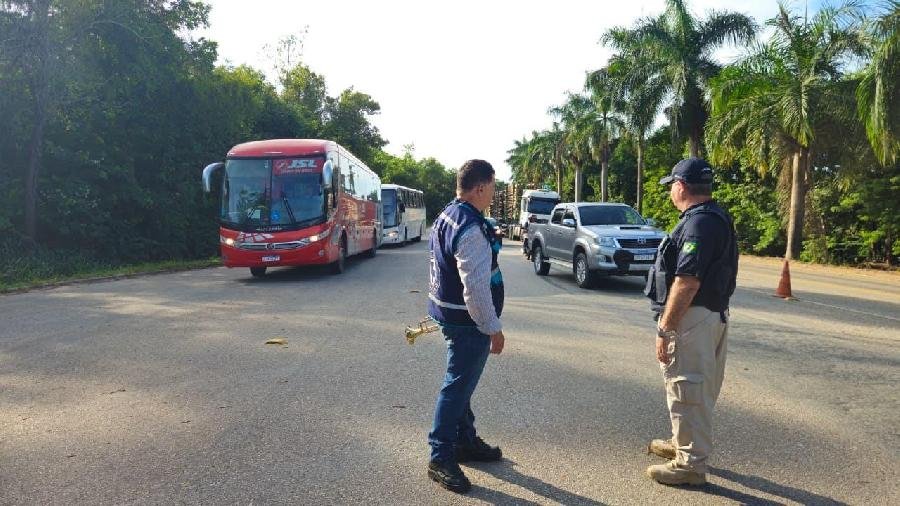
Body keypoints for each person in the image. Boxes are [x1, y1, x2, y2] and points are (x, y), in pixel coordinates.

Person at [643, 157, 739, 486]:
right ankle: (683, 443)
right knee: (696, 388)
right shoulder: (716, 217)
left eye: (672, 185)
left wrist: (665, 327)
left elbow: (687, 280)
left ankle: (691, 465)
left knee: (687, 386)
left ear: (681, 187)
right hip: (711, 314)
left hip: (692, 317)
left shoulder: (698, 223)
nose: (671, 190)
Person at [426, 159, 506, 494]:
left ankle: (464, 440)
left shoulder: (450, 213)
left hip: (450, 315)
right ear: (480, 187)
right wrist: (492, 327)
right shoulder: (470, 228)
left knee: (462, 385)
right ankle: (440, 455)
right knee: (457, 386)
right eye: (493, 186)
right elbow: (475, 288)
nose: (494, 193)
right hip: (467, 321)